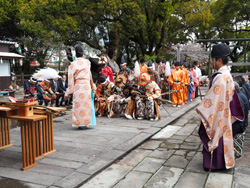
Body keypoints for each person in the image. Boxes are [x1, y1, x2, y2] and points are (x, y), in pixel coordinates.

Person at [196, 43, 243, 171]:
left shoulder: (220, 78)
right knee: (223, 137)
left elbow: (213, 98)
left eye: (213, 60)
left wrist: (202, 108)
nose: (211, 62)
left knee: (215, 136)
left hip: (218, 112)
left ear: (219, 60)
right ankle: (222, 163)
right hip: (224, 111)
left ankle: (213, 164)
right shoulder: (227, 75)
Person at [65, 45, 96, 128]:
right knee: (86, 105)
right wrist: (92, 85)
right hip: (86, 85)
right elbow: (90, 75)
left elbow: (70, 78)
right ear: (83, 55)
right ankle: (86, 123)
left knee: (78, 105)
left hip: (78, 86)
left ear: (75, 56)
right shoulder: (87, 62)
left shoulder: (72, 64)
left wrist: (69, 92)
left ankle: (79, 123)